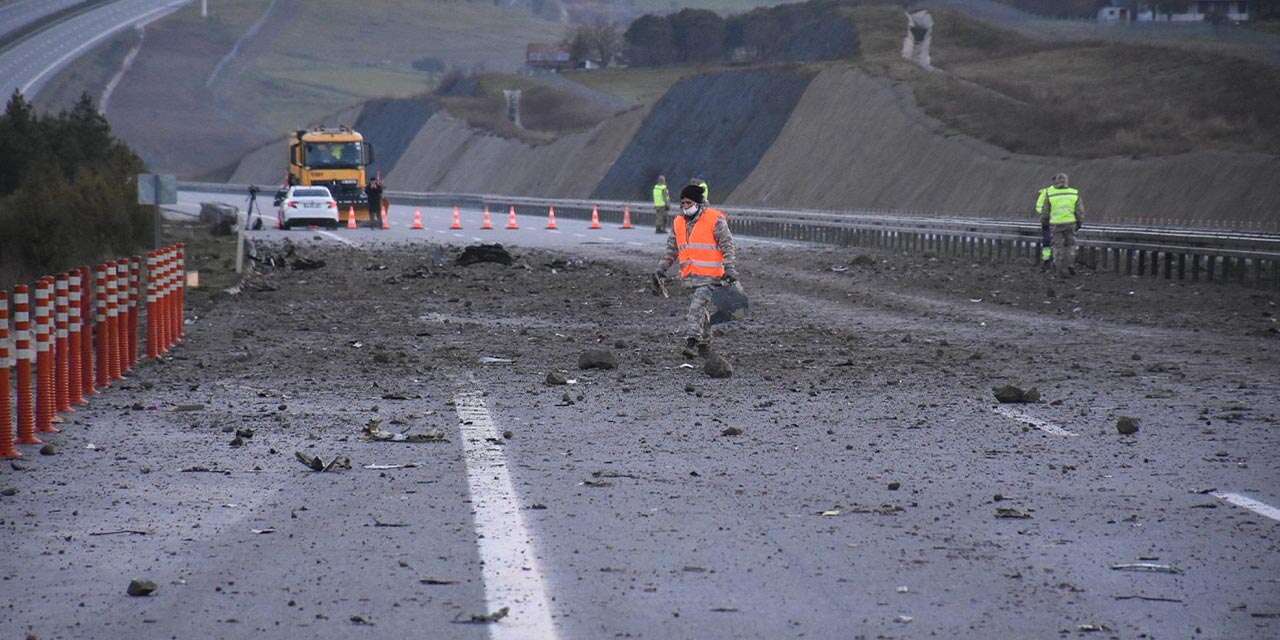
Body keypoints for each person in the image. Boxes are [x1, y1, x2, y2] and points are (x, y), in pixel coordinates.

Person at [653, 184, 738, 359]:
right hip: (691, 277)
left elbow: (727, 245)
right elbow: (672, 249)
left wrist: (729, 268)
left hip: (712, 277)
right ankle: (705, 344)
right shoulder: (678, 222)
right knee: (701, 311)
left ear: (698, 203)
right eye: (682, 203)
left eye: (688, 202)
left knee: (696, 308)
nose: (685, 206)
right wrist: (661, 269)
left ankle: (691, 342)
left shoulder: (715, 219)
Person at [1040, 173, 1085, 277]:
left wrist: (1044, 223)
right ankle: (1070, 265)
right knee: (1070, 246)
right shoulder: (1074, 193)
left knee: (1057, 246)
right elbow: (1080, 211)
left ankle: (1058, 268)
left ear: (1056, 182)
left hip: (1056, 224)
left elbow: (1045, 211)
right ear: (1067, 181)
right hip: (1070, 224)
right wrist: (1079, 223)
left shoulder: (1050, 194)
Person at [1034, 182, 1052, 270]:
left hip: (1057, 221)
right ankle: (1047, 259)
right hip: (1049, 221)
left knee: (1048, 240)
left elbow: (1038, 207)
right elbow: (1039, 207)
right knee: (1047, 240)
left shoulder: (1046, 192)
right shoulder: (1046, 192)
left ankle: (1050, 259)